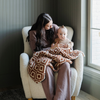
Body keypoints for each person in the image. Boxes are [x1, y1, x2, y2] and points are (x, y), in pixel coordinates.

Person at [27, 13, 71, 100]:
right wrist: (51, 48)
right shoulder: (33, 33)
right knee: (46, 69)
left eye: (51, 24)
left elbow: (63, 39)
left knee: (66, 65)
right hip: (42, 56)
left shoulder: (54, 27)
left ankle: (58, 98)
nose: (51, 27)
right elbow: (35, 51)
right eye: (48, 25)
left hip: (55, 54)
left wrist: (68, 46)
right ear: (42, 26)